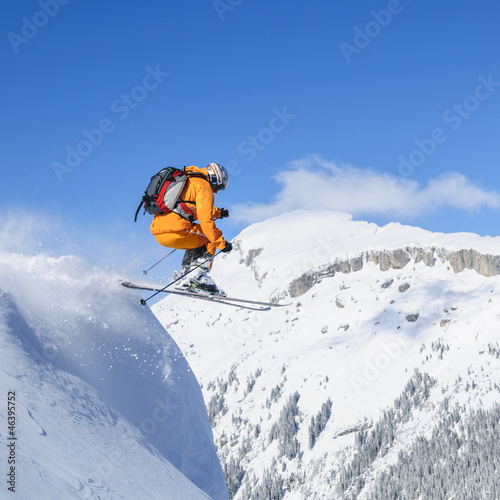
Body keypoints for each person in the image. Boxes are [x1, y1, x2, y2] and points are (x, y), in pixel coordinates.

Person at [150, 162, 232, 294]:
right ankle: (198, 275)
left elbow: (191, 206)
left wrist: (218, 212)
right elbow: (206, 221)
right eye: (219, 187)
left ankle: (185, 276)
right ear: (215, 178)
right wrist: (222, 244)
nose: (217, 191)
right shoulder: (205, 188)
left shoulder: (190, 179)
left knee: (197, 237)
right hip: (176, 232)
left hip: (160, 232)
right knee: (210, 237)